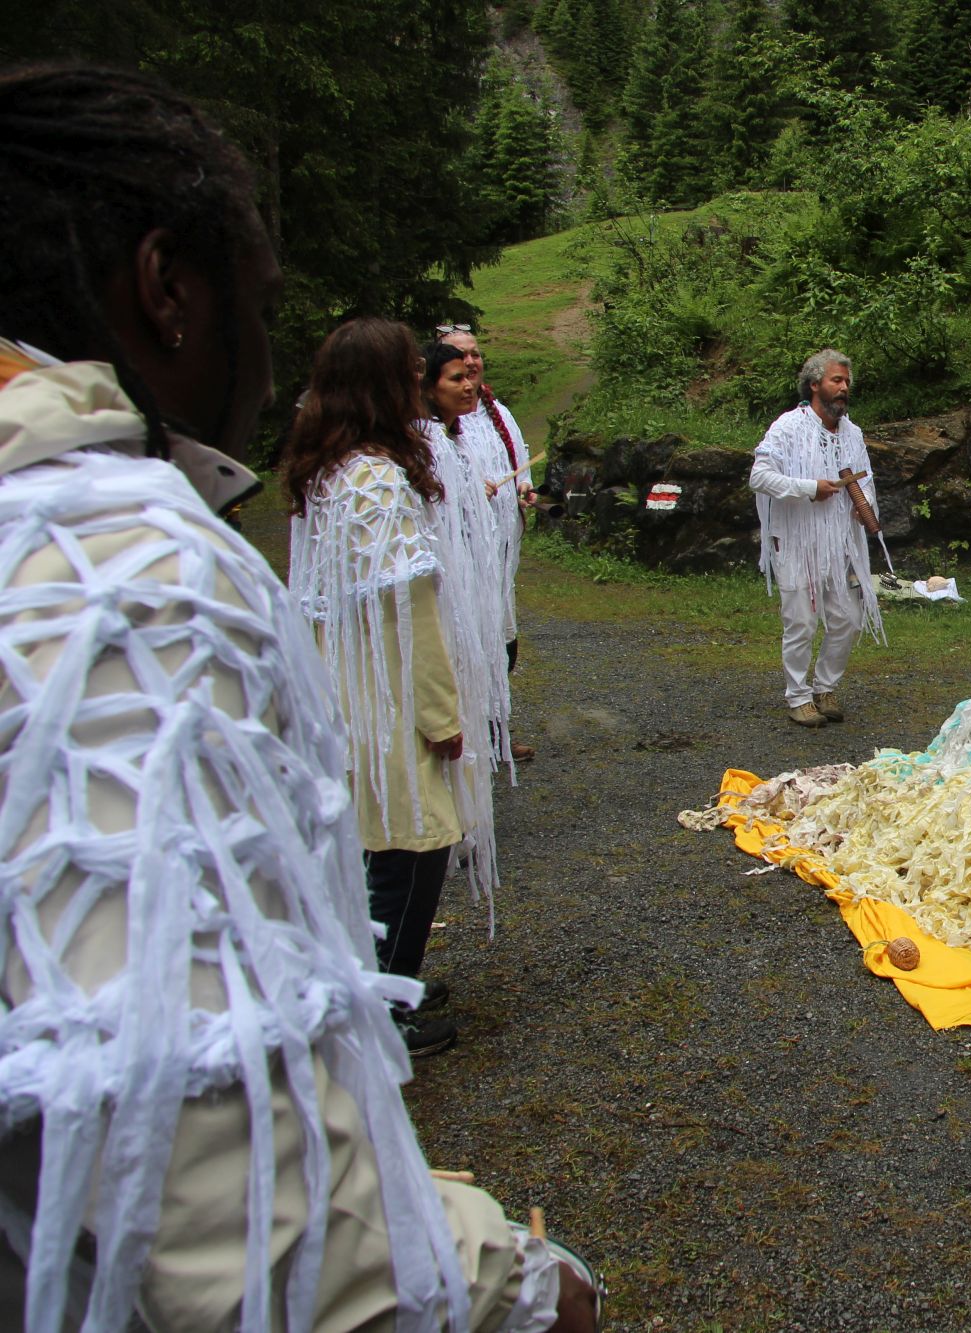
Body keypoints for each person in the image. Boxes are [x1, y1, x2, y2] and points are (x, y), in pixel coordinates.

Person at [0, 64, 594, 1332]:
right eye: (257, 310)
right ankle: (403, 982)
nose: (262, 366)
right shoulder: (116, 580)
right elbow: (194, 1145)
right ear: (167, 291)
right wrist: (514, 1285)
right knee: (406, 863)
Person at [285, 319, 469, 1058]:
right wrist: (441, 713)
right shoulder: (378, 481)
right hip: (385, 689)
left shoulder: (327, 468)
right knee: (411, 845)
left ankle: (378, 984)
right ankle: (382, 1008)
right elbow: (410, 611)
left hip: (341, 682)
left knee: (372, 843)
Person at [417, 340, 511, 913]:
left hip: (471, 588)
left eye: (470, 374)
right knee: (452, 701)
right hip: (447, 596)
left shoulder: (457, 438)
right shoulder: (421, 445)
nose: (468, 384)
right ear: (428, 385)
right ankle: (450, 824)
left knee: (473, 697)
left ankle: (467, 821)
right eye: (455, 376)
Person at [748, 348, 883, 727]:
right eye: (836, 381)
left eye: (847, 382)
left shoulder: (853, 433)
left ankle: (825, 687)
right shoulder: (788, 427)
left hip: (840, 543)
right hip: (796, 542)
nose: (844, 388)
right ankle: (797, 696)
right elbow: (759, 476)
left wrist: (864, 504)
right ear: (814, 384)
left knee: (848, 619)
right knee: (801, 622)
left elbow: (865, 480)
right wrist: (809, 487)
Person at [439, 324, 536, 762]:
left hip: (498, 551)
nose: (471, 364)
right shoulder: (438, 426)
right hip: (460, 554)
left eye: (475, 355)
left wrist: (524, 489)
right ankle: (463, 733)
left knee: (503, 639)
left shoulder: (498, 412)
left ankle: (496, 728)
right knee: (465, 641)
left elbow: (517, 459)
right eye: (460, 359)